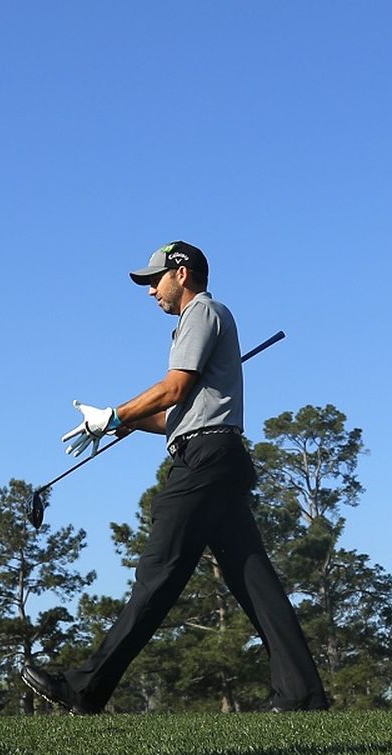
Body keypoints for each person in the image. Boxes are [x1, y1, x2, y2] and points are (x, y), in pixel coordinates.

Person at [22, 241, 329, 713]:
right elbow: (174, 415)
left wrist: (116, 413)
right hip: (216, 456)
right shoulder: (200, 322)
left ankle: (85, 689)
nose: (150, 291)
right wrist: (116, 422)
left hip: (204, 461)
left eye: (154, 279)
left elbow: (174, 388)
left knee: (157, 574)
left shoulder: (201, 314)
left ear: (181, 273)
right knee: (253, 579)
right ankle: (302, 694)